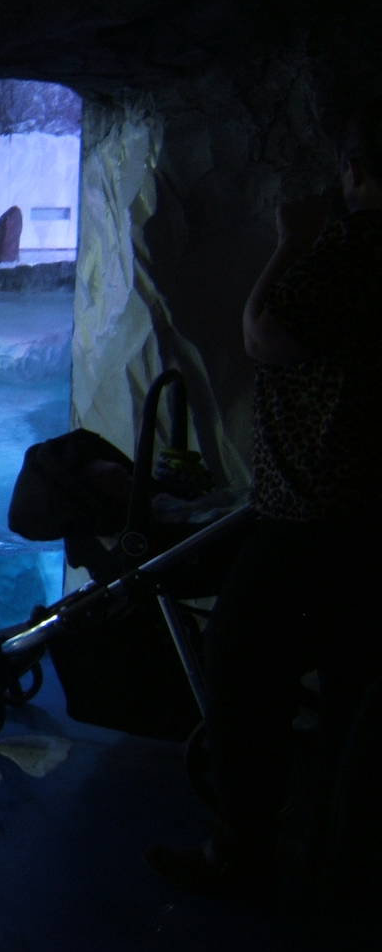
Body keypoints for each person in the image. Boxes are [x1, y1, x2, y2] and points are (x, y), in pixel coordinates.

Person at [148, 99, 382, 898]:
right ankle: (339, 858)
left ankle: (242, 850)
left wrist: (291, 244)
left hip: (309, 513)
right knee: (356, 689)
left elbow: (265, 333)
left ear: (355, 172)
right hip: (367, 518)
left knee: (244, 669)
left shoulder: (351, 248)